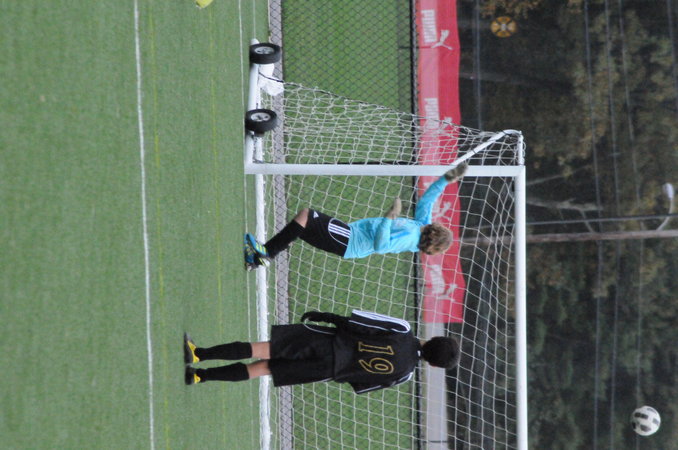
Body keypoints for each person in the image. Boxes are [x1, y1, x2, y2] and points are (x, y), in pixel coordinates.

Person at [243, 162, 468, 269]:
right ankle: (259, 258)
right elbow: (428, 200)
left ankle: (266, 254)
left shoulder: (410, 238)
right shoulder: (420, 224)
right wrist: (446, 179)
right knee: (301, 227)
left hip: (352, 240)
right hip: (351, 238)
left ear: (436, 231)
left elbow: (381, 245)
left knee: (307, 216)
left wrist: (389, 218)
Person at [184, 310, 461, 393]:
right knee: (262, 369)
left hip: (327, 342)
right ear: (434, 365)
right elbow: (361, 386)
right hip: (327, 370)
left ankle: (199, 354)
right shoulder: (403, 375)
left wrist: (326, 317)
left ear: (434, 339)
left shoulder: (403, 329)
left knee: (263, 349)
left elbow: (360, 323)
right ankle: (200, 377)